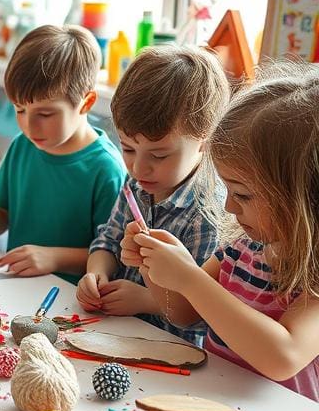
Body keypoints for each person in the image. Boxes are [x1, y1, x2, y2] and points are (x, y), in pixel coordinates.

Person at [126, 61, 319, 401]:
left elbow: (283, 356)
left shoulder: (313, 274)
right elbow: (184, 313)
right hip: (217, 403)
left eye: (243, 194)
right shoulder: (241, 248)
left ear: (302, 195)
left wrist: (189, 278)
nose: (229, 207)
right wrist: (155, 266)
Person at [0, 24, 125, 282]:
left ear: (87, 103)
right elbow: (0, 213)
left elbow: (114, 256)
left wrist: (54, 258)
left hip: (73, 302)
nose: (29, 125)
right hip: (16, 287)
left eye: (46, 114)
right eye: (19, 110)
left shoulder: (107, 169)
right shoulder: (22, 145)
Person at [76, 46, 229, 344]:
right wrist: (96, 274)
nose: (138, 167)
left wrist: (146, 300)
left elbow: (203, 313)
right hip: (118, 336)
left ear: (203, 142)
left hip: (173, 353)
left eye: (159, 155)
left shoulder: (208, 213)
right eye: (128, 148)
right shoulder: (137, 186)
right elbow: (107, 241)